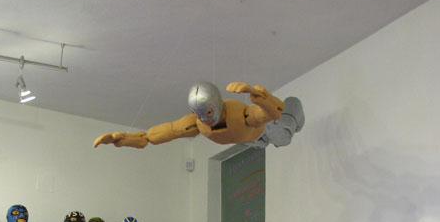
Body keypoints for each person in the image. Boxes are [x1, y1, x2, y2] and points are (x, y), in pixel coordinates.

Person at [94, 81, 304, 150]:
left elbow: (273, 112)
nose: (205, 119)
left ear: (217, 105)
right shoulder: (196, 125)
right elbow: (150, 137)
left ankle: (297, 117)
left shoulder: (241, 115)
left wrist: (262, 97)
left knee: (284, 130)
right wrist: (122, 139)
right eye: (198, 114)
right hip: (248, 141)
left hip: (261, 131)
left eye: (208, 112)